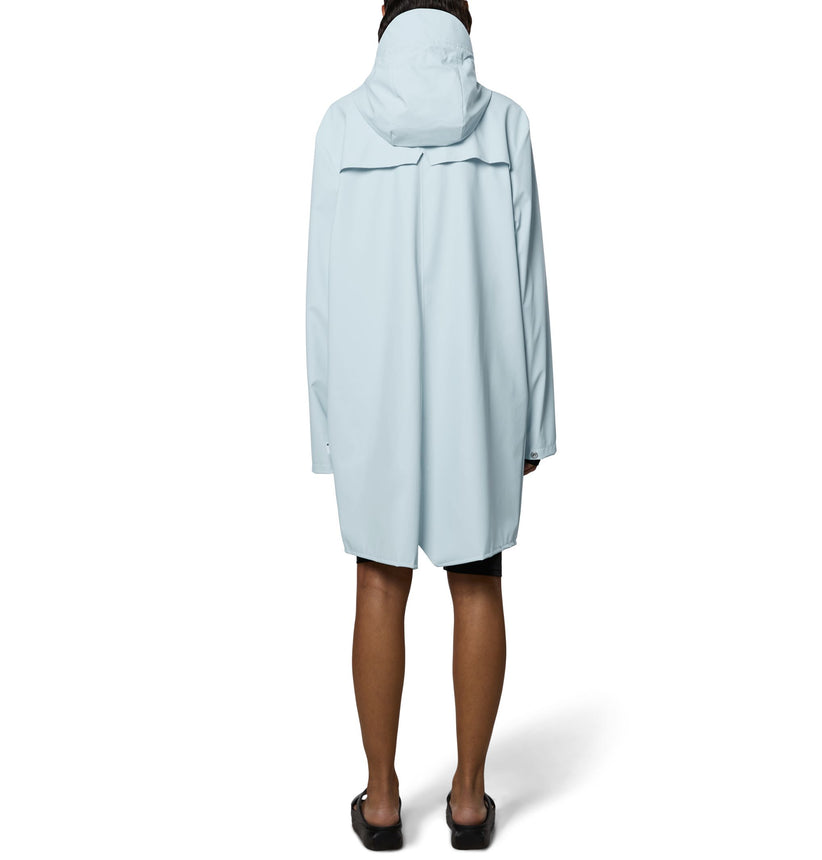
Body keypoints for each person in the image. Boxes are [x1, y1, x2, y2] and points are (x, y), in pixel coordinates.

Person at [305, 0, 556, 849]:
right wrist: (535, 423)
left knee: (380, 583)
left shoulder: (342, 124)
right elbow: (528, 283)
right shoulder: (507, 124)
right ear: (464, 24)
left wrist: (328, 425)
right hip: (477, 391)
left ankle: (381, 802)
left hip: (372, 393)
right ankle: (470, 800)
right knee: (477, 579)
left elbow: (321, 290)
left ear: (384, 23)